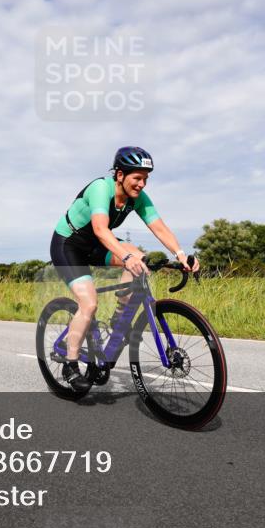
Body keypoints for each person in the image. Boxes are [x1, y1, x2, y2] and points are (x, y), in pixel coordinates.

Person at [49, 146, 199, 391]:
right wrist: (124, 256)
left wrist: (181, 255)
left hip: (97, 244)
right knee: (89, 303)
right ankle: (71, 363)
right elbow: (100, 229)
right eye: (137, 178)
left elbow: (159, 228)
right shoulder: (100, 189)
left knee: (139, 259)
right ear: (120, 175)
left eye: (145, 179)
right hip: (69, 245)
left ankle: (120, 320)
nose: (142, 184)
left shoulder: (138, 199)